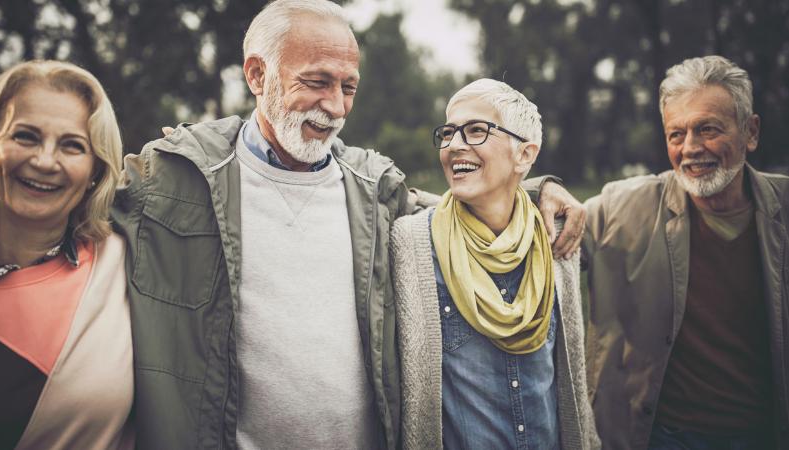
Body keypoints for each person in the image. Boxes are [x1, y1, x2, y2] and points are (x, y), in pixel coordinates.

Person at [111, 1, 585, 448]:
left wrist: (534, 187)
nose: (336, 106)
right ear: (257, 74)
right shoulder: (178, 180)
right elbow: (79, 201)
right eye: (317, 82)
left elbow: (461, 206)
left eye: (348, 87)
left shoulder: (376, 191)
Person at [584, 55, 789, 449]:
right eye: (676, 134)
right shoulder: (623, 208)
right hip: (659, 436)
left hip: (765, 433)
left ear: (751, 131)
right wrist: (546, 188)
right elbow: (527, 223)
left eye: (708, 129)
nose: (691, 148)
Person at [390, 79, 599, 449]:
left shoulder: (557, 239)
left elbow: (571, 385)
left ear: (525, 154)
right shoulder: (412, 242)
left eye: (475, 131)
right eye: (449, 132)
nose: (455, 145)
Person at [0, 60, 133, 449]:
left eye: (72, 145)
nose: (44, 161)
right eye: (25, 137)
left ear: (95, 169)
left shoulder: (126, 262)